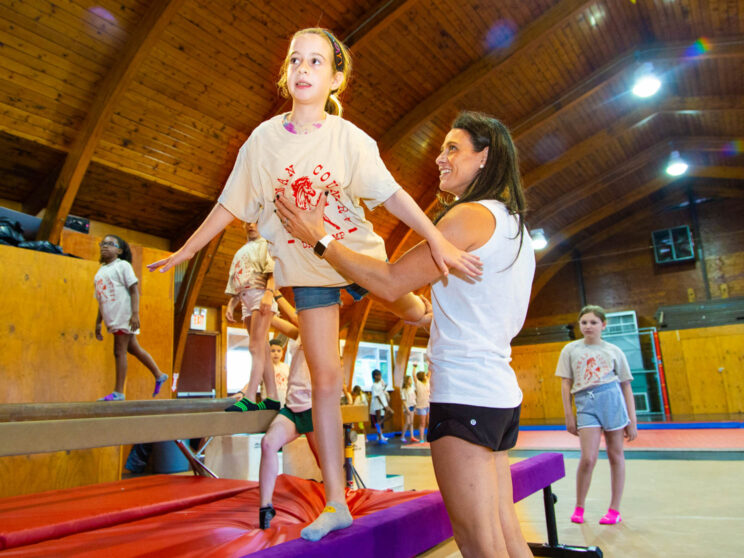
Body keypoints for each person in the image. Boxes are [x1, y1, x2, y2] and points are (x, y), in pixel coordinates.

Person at [148, 28, 481, 541]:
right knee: (325, 383)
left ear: (334, 77)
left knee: (406, 305)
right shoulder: (263, 141)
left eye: (316, 62)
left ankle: (427, 315)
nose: (303, 69)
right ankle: (334, 502)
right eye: (296, 60)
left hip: (356, 262)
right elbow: (229, 203)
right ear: (288, 71)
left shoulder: (348, 140)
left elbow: (392, 196)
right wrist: (188, 249)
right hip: (308, 277)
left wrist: (436, 238)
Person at [276, 110, 536, 557]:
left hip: (467, 395)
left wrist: (319, 238)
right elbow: (421, 300)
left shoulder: (470, 217)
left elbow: (393, 280)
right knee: (507, 536)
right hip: (498, 397)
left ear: (484, 158)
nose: (440, 158)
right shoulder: (515, 226)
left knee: (479, 544)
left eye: (453, 148)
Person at [555, 305, 638, 525]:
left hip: (611, 400)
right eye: (584, 322)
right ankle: (579, 506)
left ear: (603, 325)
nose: (588, 326)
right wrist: (568, 415)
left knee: (615, 454)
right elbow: (566, 383)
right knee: (588, 457)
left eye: (593, 322)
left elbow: (626, 386)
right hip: (585, 402)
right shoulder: (570, 350)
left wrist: (632, 420)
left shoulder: (614, 351)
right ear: (579, 326)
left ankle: (614, 509)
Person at [258, 315, 319, 530]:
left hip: (314, 408)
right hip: (293, 407)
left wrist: (276, 294)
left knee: (324, 462)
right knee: (267, 444)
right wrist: (260, 303)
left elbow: (293, 313)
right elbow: (273, 318)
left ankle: (339, 500)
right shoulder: (299, 332)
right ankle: (265, 507)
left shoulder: (320, 331)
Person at [94, 235, 168, 401]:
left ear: (119, 250)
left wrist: (135, 314)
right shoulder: (100, 272)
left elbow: (134, 290)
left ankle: (118, 392)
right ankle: (159, 374)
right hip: (111, 318)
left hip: (123, 315)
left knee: (119, 351)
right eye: (103, 243)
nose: (105, 246)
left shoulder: (122, 266)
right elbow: (100, 298)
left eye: (110, 244)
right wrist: (98, 323)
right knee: (132, 348)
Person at [224, 222, 280, 411]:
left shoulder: (265, 244)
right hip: (245, 298)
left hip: (260, 294)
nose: (251, 225)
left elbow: (273, 272)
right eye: (247, 222)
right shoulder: (240, 251)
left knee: (255, 347)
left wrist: (269, 293)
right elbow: (236, 282)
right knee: (262, 348)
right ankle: (272, 396)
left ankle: (249, 396)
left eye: (255, 221)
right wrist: (231, 305)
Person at [262, 338, 290, 405]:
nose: (276, 353)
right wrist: (242, 392)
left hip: (285, 402)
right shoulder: (264, 367)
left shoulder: (287, 367)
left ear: (282, 353)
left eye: (279, 351)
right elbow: (253, 381)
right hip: (269, 403)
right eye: (273, 351)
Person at [369, 369, 393, 444]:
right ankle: (380, 437)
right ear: (375, 376)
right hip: (377, 404)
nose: (380, 377)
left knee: (391, 413)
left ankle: (379, 426)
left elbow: (381, 391)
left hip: (383, 402)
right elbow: (377, 396)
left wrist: (384, 387)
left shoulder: (380, 383)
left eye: (380, 375)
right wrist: (384, 406)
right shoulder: (374, 385)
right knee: (378, 419)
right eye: (379, 375)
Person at [413, 366, 431, 442]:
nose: (426, 376)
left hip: (428, 405)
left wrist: (429, 364)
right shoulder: (418, 383)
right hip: (421, 406)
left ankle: (430, 437)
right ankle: (421, 438)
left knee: (429, 422)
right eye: (424, 375)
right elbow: (414, 376)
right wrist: (414, 367)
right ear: (421, 377)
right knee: (422, 423)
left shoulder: (427, 381)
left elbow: (429, 373)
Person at [400, 374, 417, 443]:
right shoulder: (404, 390)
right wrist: (407, 409)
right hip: (407, 406)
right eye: (410, 379)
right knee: (407, 422)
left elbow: (414, 398)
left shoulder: (411, 388)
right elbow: (403, 400)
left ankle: (412, 436)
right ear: (407, 381)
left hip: (412, 406)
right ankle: (402, 436)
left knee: (411, 422)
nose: (411, 381)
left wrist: (415, 407)